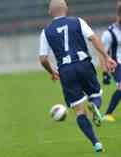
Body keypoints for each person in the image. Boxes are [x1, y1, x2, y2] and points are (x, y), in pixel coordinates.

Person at [39, 0, 116, 152]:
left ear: (50, 12)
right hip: (84, 64)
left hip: (65, 70)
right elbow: (93, 38)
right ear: (66, 9)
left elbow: (43, 58)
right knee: (95, 94)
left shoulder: (46, 31)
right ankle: (95, 104)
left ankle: (96, 143)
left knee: (79, 111)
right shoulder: (78, 21)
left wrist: (52, 72)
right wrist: (106, 57)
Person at [101, 1, 121, 122]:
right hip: (116, 64)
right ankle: (107, 114)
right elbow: (102, 54)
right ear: (118, 15)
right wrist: (105, 73)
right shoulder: (109, 33)